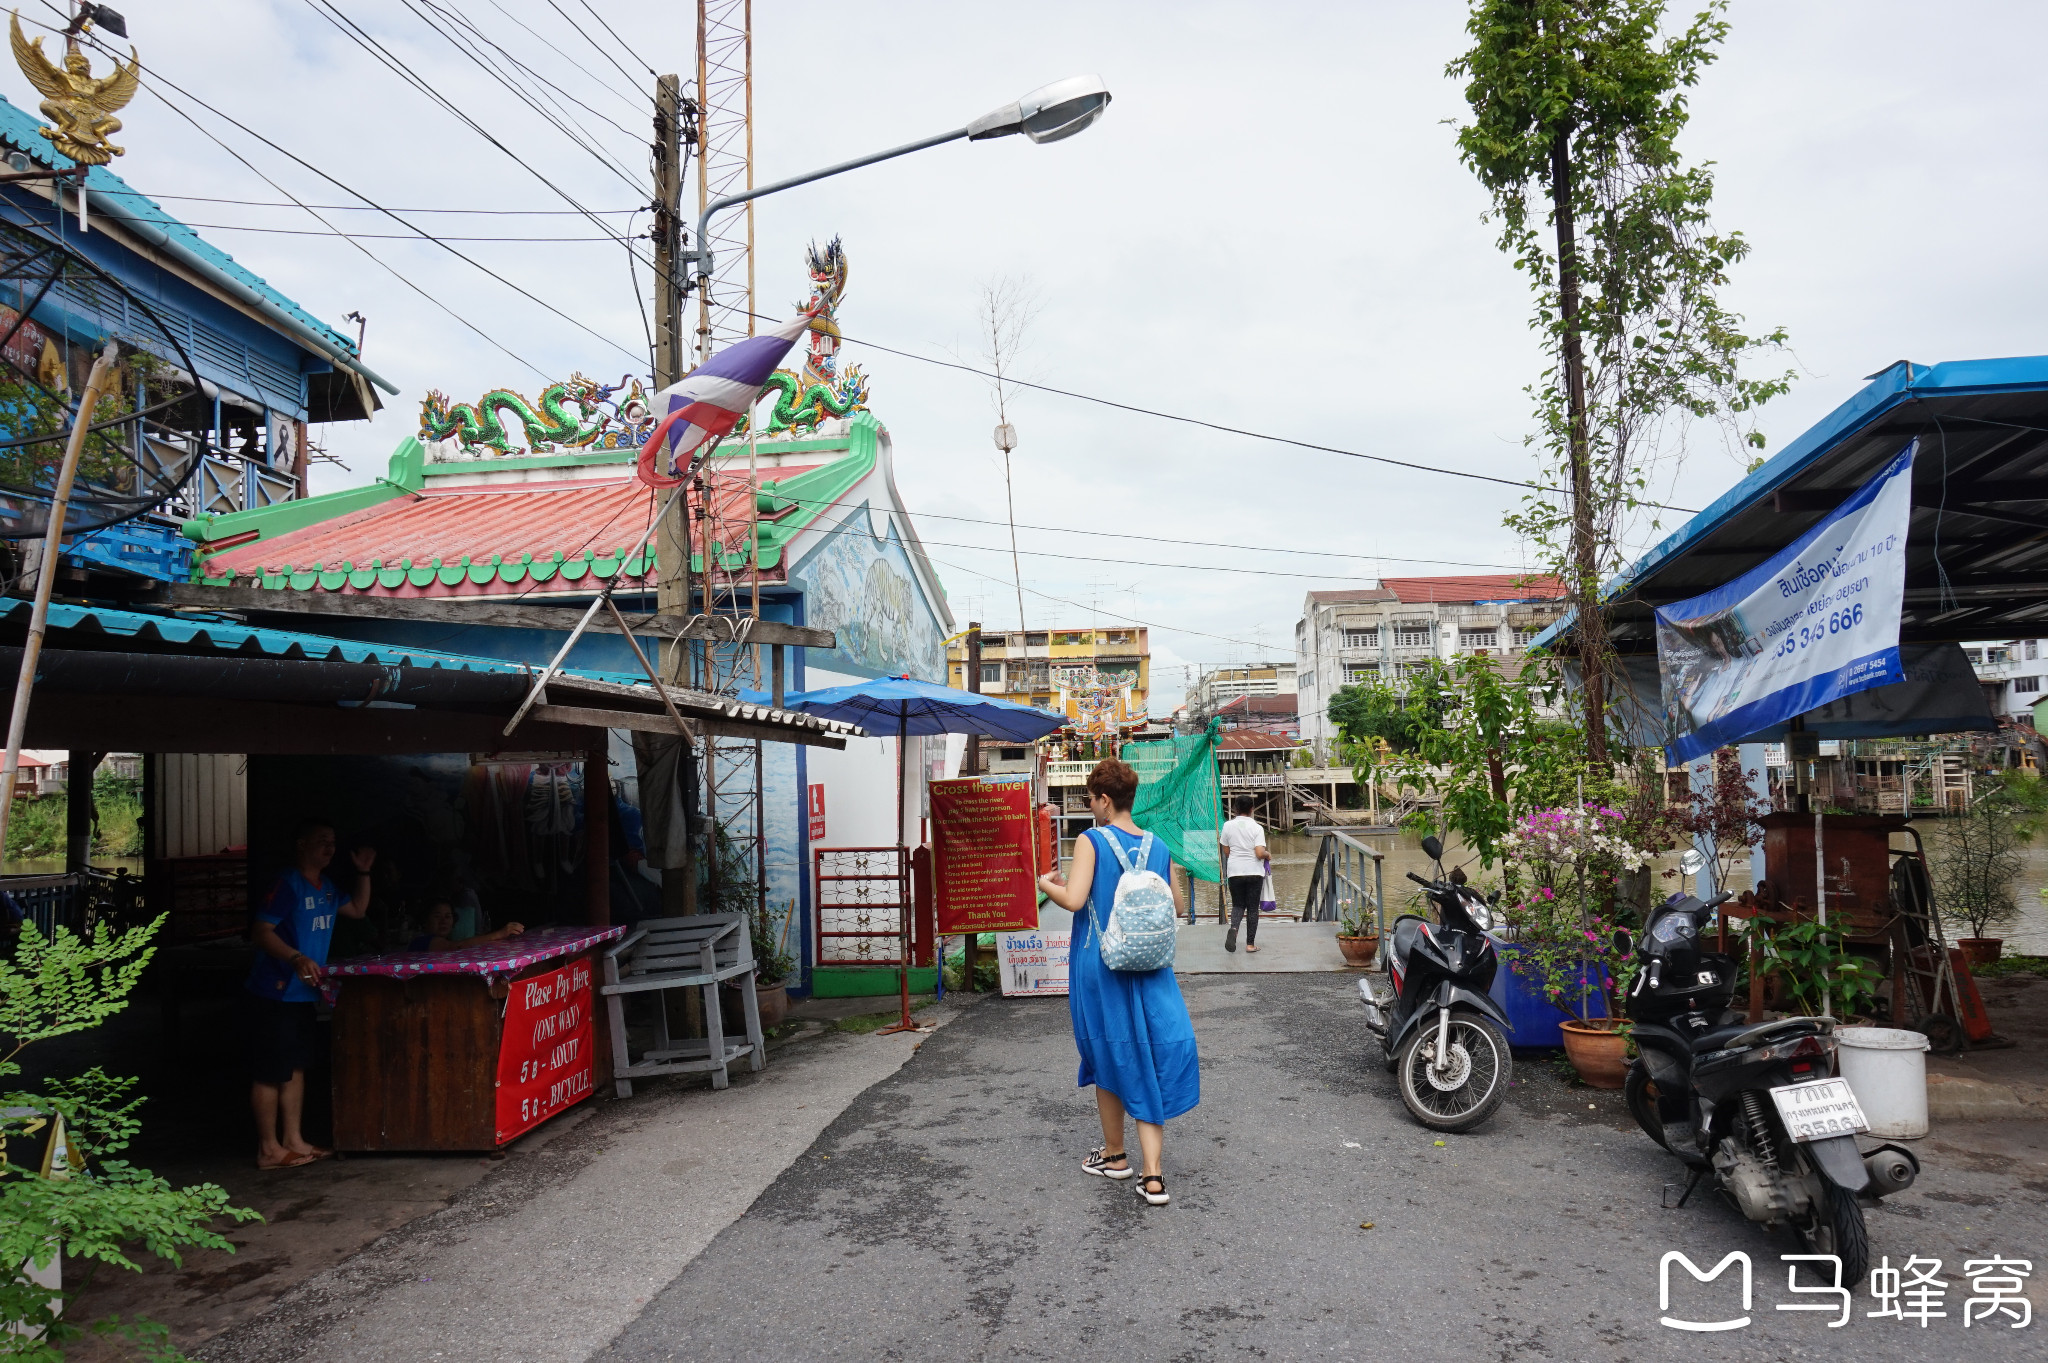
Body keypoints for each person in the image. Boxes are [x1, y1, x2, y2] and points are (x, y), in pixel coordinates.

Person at [1036, 758, 1200, 1207]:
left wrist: (1044, 883)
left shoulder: (1091, 840)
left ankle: (1120, 1158)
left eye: (1090, 799)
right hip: (1149, 966)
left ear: (1105, 800)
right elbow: (1179, 908)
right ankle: (1146, 1170)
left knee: (1107, 1051)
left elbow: (1073, 900)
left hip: (1100, 965)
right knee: (1147, 1052)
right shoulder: (1157, 844)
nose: (1090, 806)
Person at [245, 821, 374, 1170]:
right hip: (275, 990)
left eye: (333, 842)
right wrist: (295, 957)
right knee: (272, 1070)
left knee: (297, 1067)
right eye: (321, 842)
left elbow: (358, 910)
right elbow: (260, 931)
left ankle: (294, 1140)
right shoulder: (287, 883)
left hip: (303, 993)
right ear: (301, 844)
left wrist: (363, 873)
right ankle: (268, 1149)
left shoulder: (329, 887)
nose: (329, 848)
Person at [1217, 796, 1270, 954]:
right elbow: (1259, 853)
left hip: (1235, 872)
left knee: (1238, 905)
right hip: (1254, 872)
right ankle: (1250, 945)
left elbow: (1227, 851)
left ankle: (1234, 929)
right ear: (1252, 809)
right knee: (1252, 908)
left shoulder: (1227, 826)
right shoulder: (1257, 828)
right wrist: (1268, 855)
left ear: (1235, 809)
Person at [407, 900, 525, 953]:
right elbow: (458, 946)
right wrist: (500, 934)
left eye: (448, 916)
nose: (443, 921)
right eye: (437, 916)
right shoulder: (422, 941)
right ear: (425, 921)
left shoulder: (445, 941)